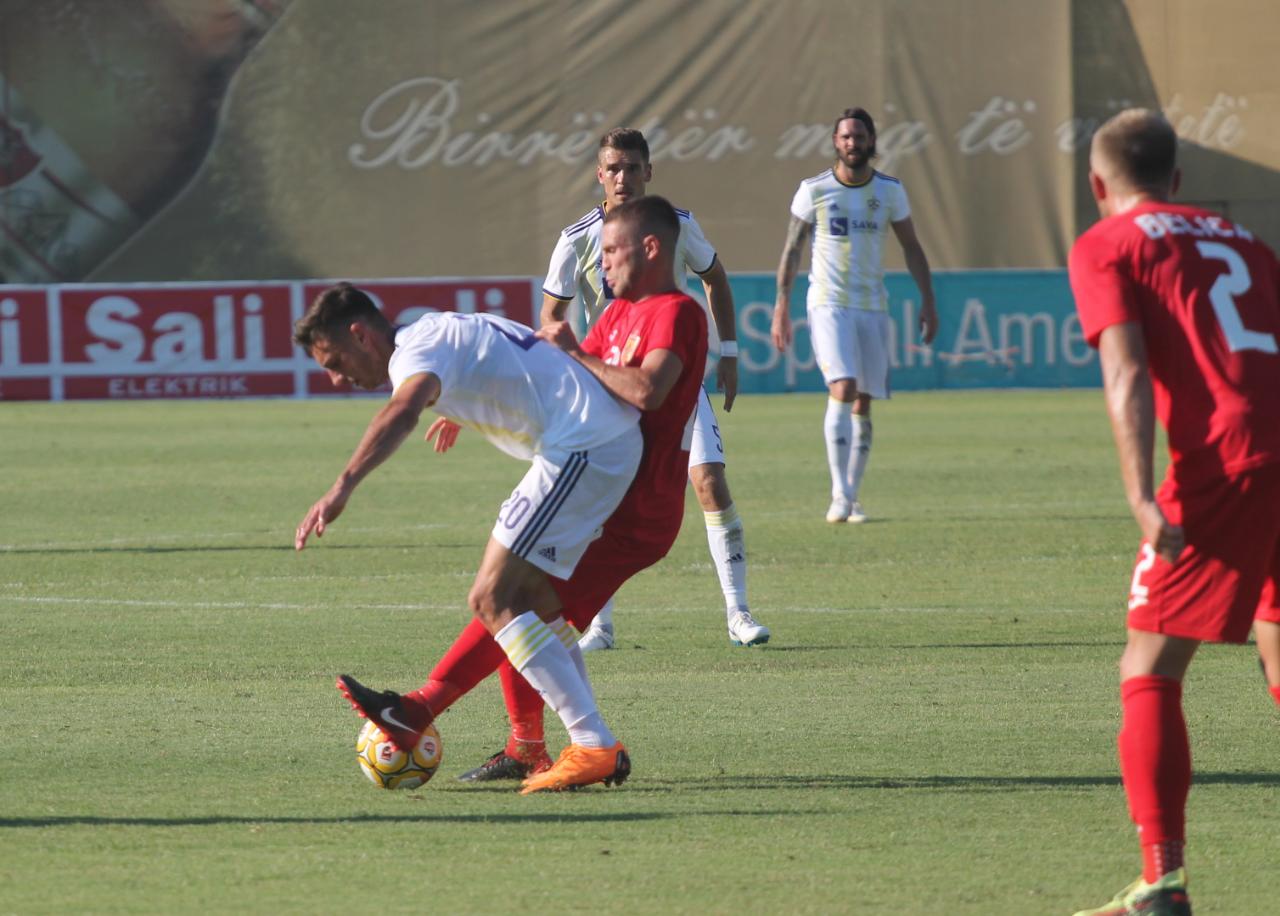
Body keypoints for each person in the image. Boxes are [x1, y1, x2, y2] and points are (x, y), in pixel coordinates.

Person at [295, 194, 707, 793]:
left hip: (590, 450)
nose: (336, 378)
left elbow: (402, 411)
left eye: (333, 361)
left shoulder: (418, 350)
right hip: (591, 447)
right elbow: (517, 351)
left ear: (360, 335)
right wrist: (469, 404)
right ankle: (534, 736)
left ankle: (578, 741)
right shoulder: (437, 330)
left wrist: (341, 488)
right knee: (533, 602)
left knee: (493, 595)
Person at [1067, 108, 1280, 916]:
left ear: (1098, 185)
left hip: (1227, 461)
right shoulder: (1249, 244)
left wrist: (1137, 493)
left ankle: (1161, 880)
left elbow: (1123, 372)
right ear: (1179, 180)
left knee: (1149, 667)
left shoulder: (1109, 243)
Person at [541, 127, 768, 652]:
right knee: (603, 501)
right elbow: (551, 315)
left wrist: (729, 354)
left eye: (632, 167)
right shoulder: (577, 237)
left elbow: (714, 276)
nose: (623, 177)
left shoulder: (677, 226)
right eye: (613, 168)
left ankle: (738, 613)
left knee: (709, 481)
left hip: (675, 380)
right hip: (611, 388)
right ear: (600, 175)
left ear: (649, 171)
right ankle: (600, 624)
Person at [772, 107, 938, 524]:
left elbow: (912, 247)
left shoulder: (890, 191)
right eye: (845, 137)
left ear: (870, 142)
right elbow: (792, 250)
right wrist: (781, 307)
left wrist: (928, 300)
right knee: (842, 386)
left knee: (864, 401)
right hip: (828, 303)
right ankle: (840, 496)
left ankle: (853, 494)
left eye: (859, 137)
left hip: (872, 306)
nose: (852, 143)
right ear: (835, 142)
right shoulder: (814, 190)